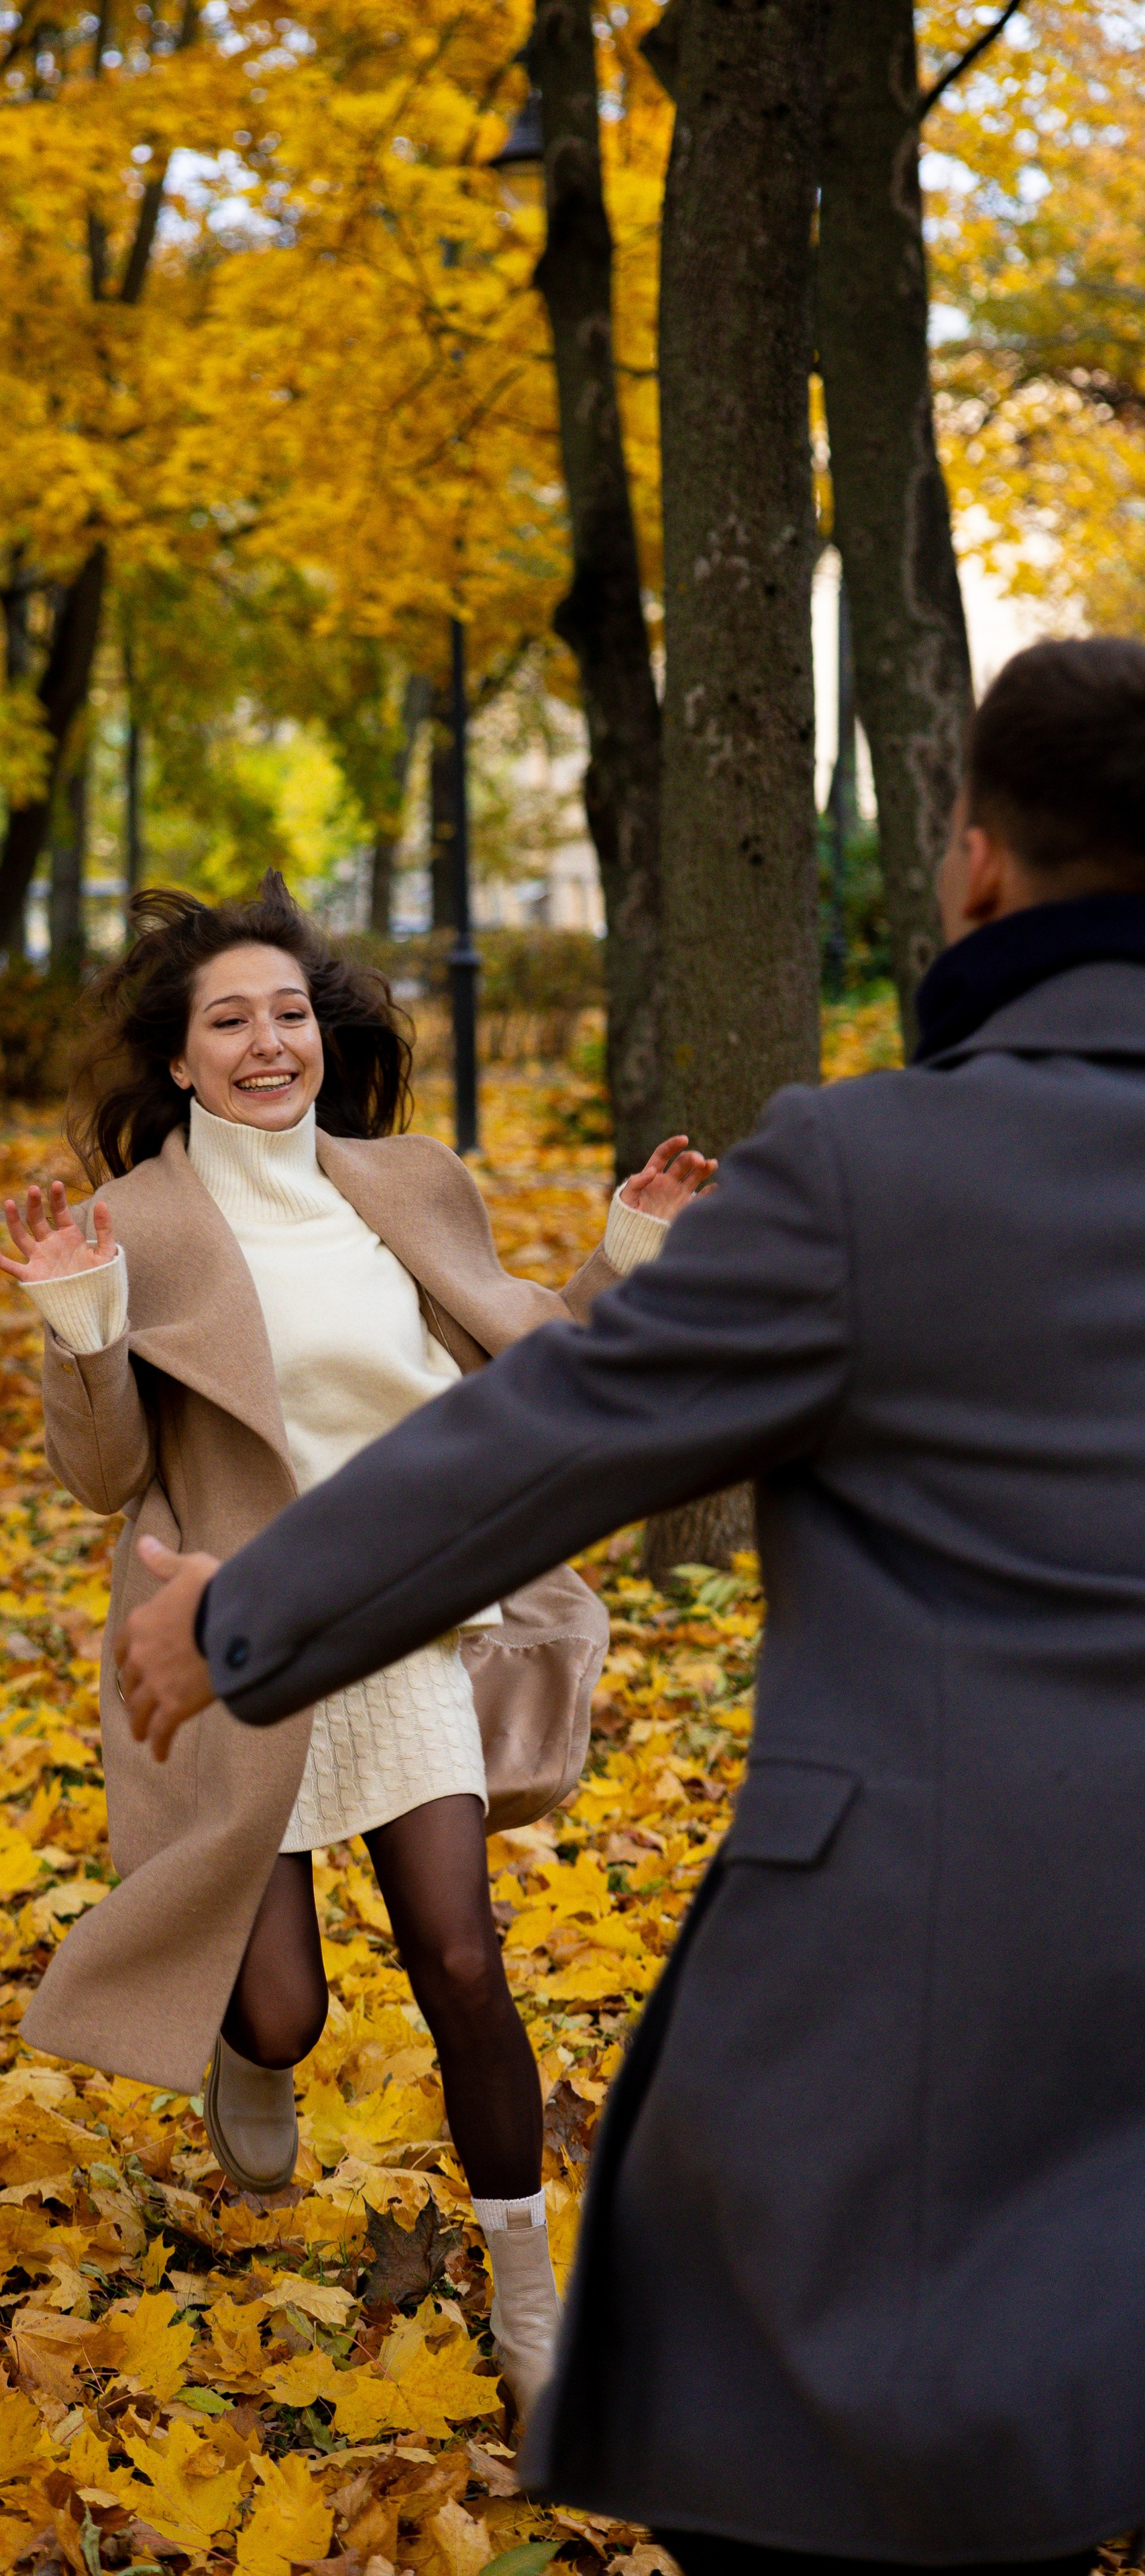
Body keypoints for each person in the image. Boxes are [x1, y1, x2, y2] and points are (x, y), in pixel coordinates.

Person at [113, 637, 1145, 2572]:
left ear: (978, 862)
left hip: (933, 1977)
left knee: (828, 2476)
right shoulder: (166, 1213)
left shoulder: (873, 1168)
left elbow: (559, 1435)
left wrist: (239, 1615)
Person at [0, 874, 713, 2410]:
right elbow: (104, 1476)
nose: (268, 1044)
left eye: (289, 1014)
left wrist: (626, 1254)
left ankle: (530, 2309)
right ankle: (250, 2052)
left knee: (459, 1955)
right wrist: (81, 1326)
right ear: (176, 1059)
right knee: (284, 2008)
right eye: (228, 1022)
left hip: (401, 1623)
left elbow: (524, 1367)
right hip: (234, 1640)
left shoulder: (406, 1182)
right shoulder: (138, 1224)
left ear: (323, 1034)